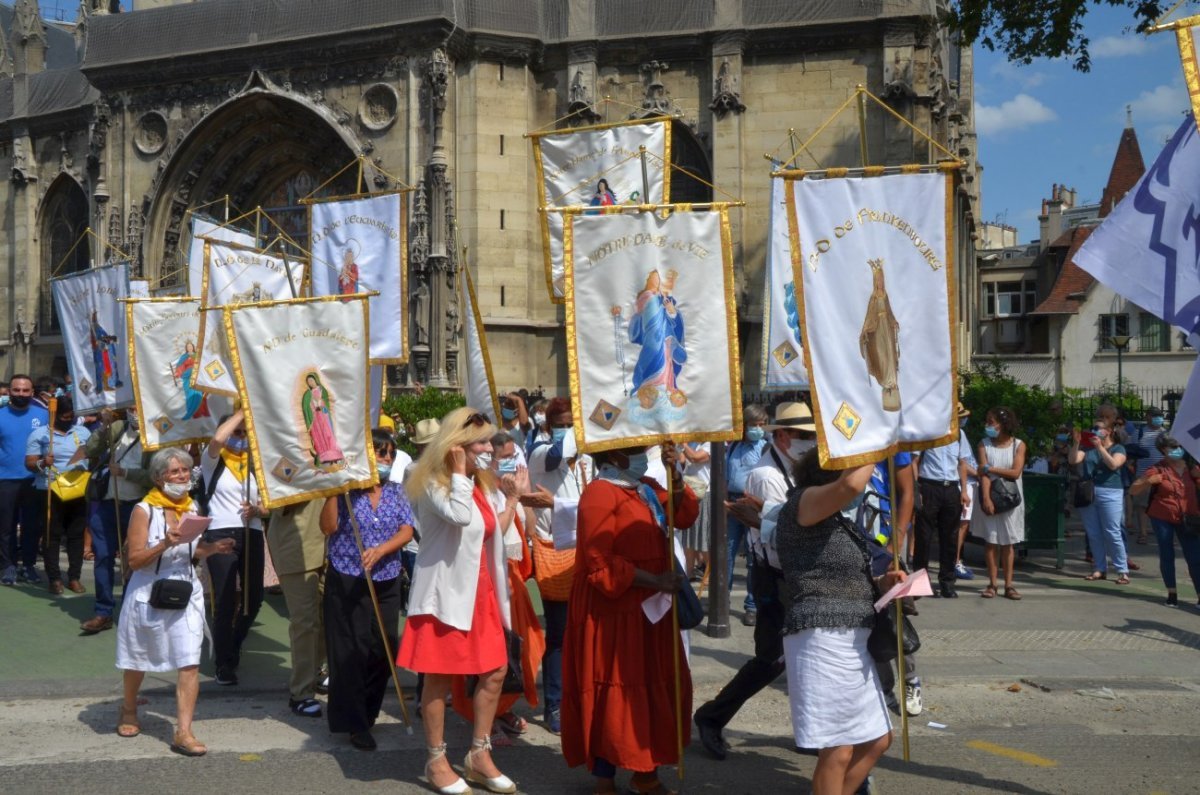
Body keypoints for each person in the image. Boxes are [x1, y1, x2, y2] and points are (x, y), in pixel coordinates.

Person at [561, 443, 698, 795]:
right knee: (614, 687)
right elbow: (597, 559)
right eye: (635, 450)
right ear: (614, 456)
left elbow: (682, 516)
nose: (641, 455)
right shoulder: (599, 494)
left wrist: (676, 474)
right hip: (613, 611)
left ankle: (645, 773)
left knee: (651, 685)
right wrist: (654, 580)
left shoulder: (647, 488)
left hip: (650, 611)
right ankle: (605, 776)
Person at [396, 407, 520, 795]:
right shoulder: (435, 483)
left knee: (496, 670)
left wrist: (510, 502)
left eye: (488, 440)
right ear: (456, 447)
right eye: (480, 442)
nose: (489, 448)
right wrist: (462, 473)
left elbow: (487, 533)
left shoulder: (480, 484)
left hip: (479, 593)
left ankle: (479, 754)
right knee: (438, 679)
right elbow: (460, 517)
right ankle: (436, 759)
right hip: (444, 596)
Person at [776, 451, 905, 795]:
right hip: (821, 638)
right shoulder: (802, 504)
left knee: (878, 738)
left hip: (853, 638)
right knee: (838, 748)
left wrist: (884, 585)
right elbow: (850, 484)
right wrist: (875, 447)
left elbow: (848, 575)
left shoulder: (836, 518)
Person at [693, 401, 813, 760]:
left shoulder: (795, 468)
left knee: (801, 658)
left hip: (792, 575)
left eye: (812, 435)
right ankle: (711, 716)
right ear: (781, 436)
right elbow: (781, 536)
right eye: (803, 436)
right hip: (776, 579)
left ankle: (812, 732)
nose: (810, 442)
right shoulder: (767, 475)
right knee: (770, 659)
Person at [115, 447, 234, 755]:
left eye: (185, 471)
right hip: (148, 591)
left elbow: (192, 550)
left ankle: (184, 731)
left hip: (185, 591)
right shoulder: (144, 510)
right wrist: (165, 542)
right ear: (158, 478)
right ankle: (129, 709)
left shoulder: (191, 506)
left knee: (189, 661)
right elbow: (136, 559)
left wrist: (212, 548)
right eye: (175, 472)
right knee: (138, 658)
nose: (182, 476)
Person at [320, 429, 415, 748]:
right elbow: (328, 527)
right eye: (379, 452)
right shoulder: (348, 492)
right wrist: (335, 489)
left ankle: (369, 709)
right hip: (348, 578)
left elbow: (407, 529)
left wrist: (382, 549)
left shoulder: (397, 491)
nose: (385, 459)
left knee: (385, 648)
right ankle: (355, 723)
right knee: (350, 651)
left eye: (389, 453)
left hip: (386, 577)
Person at [450, 433, 546, 740]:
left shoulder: (504, 486)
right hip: (484, 581)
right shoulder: (475, 486)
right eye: (497, 455)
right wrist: (511, 498)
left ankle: (502, 709)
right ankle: (482, 723)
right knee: (486, 656)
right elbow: (490, 535)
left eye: (508, 455)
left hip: (511, 582)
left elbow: (527, 530)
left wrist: (521, 494)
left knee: (521, 651)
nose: (503, 461)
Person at [521, 396, 587, 735]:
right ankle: (555, 705)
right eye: (559, 425)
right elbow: (557, 455)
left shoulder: (589, 461)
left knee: (587, 632)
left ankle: (582, 696)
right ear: (548, 427)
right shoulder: (540, 454)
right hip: (556, 553)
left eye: (570, 424)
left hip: (587, 553)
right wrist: (573, 436)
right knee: (559, 634)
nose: (565, 431)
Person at [201, 410, 267, 686]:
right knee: (226, 599)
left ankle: (234, 643)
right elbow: (217, 439)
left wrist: (258, 510)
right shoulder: (212, 461)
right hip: (221, 533)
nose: (239, 438)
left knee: (254, 599)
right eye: (236, 433)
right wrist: (243, 410)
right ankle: (223, 663)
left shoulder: (256, 466)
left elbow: (269, 506)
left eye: (244, 434)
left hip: (251, 532)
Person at [81, 409, 152, 634]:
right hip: (106, 504)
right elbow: (90, 450)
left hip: (137, 506)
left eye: (139, 408)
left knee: (135, 560)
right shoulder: (118, 428)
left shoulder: (158, 435)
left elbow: (156, 476)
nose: (135, 414)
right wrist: (104, 427)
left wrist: (125, 473)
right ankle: (103, 612)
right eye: (131, 409)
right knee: (102, 556)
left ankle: (132, 611)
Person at [268, 497, 328, 717]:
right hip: (297, 545)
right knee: (305, 621)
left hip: (335, 545)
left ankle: (315, 672)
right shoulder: (281, 460)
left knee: (330, 617)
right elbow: (277, 498)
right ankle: (301, 693)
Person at [25, 396, 91, 595]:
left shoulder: (83, 432)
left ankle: (74, 577)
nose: (67, 419)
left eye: (71, 416)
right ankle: (54, 578)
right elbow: (29, 463)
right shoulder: (40, 434)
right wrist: (44, 462)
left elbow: (94, 454)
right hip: (49, 490)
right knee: (52, 535)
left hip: (77, 489)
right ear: (54, 415)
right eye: (63, 416)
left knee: (76, 535)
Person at [1129, 435, 1200, 607]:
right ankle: (1172, 592)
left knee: (1195, 557)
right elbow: (1133, 490)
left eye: (1178, 446)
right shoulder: (1158, 469)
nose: (1176, 450)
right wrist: (1148, 481)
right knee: (1167, 553)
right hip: (1162, 516)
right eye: (1171, 448)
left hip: (1189, 517)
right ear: (1163, 451)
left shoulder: (1192, 467)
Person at [913, 408, 972, 597]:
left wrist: (963, 490)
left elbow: (962, 463)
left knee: (950, 536)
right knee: (924, 536)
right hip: (929, 485)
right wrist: (917, 489)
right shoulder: (927, 431)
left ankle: (947, 582)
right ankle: (920, 582)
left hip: (951, 487)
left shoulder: (959, 434)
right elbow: (914, 461)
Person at [0, 375, 49, 586]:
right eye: (17, 390)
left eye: (25, 390)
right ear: (9, 391)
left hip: (34, 479)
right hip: (5, 479)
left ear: (32, 392)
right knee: (5, 527)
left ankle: (29, 565)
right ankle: (7, 566)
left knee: (32, 526)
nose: (21, 394)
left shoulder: (45, 415)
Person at [974, 407, 1027, 601]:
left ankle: (1009, 585)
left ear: (1003, 424)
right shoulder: (984, 445)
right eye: (987, 421)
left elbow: (1015, 472)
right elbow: (983, 473)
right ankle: (992, 583)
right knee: (991, 541)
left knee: (1008, 543)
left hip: (1010, 499)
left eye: (991, 422)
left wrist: (990, 468)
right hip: (991, 497)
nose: (988, 425)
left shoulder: (1018, 445)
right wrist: (986, 498)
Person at [1071, 416, 1130, 585]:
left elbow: (1113, 465)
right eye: (1093, 428)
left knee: (1112, 531)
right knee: (1093, 533)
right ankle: (1099, 568)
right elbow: (1073, 460)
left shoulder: (1119, 448)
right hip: (1089, 492)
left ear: (1109, 431)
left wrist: (1100, 448)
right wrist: (1076, 443)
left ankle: (1122, 570)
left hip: (1111, 492)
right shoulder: (1087, 448)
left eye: (1099, 428)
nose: (1095, 431)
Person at [724, 405, 769, 617]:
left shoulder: (765, 447)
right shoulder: (733, 447)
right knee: (728, 553)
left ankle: (752, 605)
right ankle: (723, 598)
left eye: (762, 425)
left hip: (753, 506)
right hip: (732, 505)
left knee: (753, 557)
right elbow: (726, 475)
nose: (758, 429)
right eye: (754, 425)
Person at [1131, 407, 1167, 544]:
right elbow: (1133, 451)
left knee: (1163, 504)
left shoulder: (1165, 433)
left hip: (1162, 475)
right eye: (1155, 416)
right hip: (1144, 474)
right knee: (1142, 505)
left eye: (1160, 416)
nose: (1158, 418)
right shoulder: (1138, 432)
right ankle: (1143, 533)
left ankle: (1164, 532)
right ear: (1147, 417)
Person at [953, 404, 979, 580]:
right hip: (964, 483)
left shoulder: (960, 434)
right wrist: (978, 473)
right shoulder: (953, 435)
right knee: (961, 525)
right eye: (961, 416)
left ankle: (956, 560)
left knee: (963, 525)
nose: (964, 419)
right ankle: (955, 561)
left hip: (968, 483)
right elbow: (960, 463)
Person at [681, 442, 712, 582]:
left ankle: (709, 571)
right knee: (688, 535)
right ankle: (689, 571)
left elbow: (695, 457)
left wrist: (682, 442)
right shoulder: (692, 443)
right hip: (689, 491)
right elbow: (682, 459)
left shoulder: (712, 444)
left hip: (704, 494)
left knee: (703, 535)